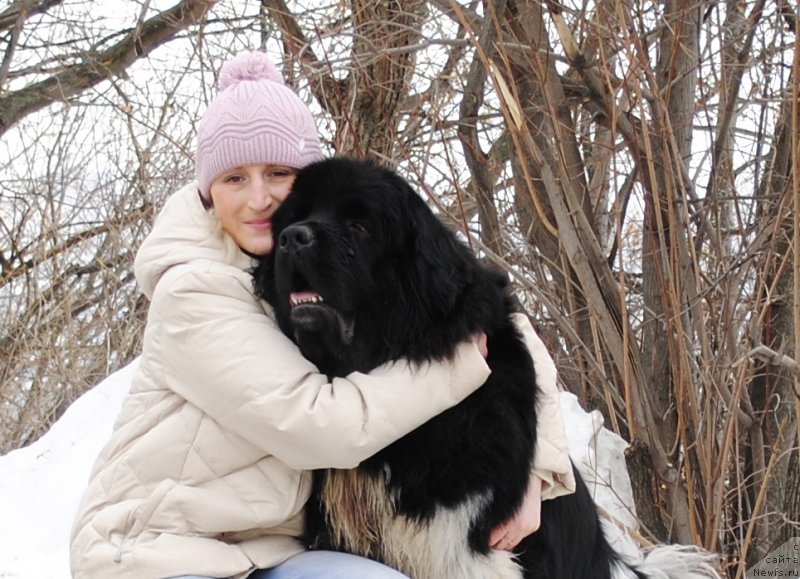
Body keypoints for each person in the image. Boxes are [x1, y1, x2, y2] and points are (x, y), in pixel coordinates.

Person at [70, 51, 575, 579]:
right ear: (207, 190)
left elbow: (499, 320)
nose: (259, 198)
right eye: (235, 179)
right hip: (157, 553)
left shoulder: (305, 261)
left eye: (278, 172)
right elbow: (317, 424)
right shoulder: (193, 291)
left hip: (265, 551)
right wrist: (458, 365)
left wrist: (537, 476)